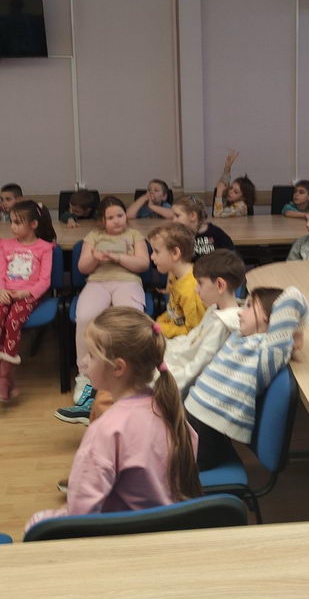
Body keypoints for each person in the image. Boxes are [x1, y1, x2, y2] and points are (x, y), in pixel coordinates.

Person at [25, 307, 201, 532]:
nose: (85, 362)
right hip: (167, 531)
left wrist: (40, 522)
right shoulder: (171, 411)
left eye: (91, 355)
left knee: (36, 524)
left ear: (118, 367)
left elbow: (79, 517)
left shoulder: (106, 430)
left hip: (124, 537)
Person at [59, 248, 247, 437]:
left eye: (200, 284)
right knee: (129, 353)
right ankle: (96, 403)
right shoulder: (215, 310)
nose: (196, 289)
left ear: (220, 285)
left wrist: (164, 378)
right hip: (174, 363)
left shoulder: (225, 323)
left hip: (178, 378)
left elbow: (197, 367)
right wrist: (161, 345)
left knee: (123, 375)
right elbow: (190, 342)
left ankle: (98, 409)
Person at [184, 284, 309, 469]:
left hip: (206, 431)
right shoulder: (241, 336)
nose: (241, 312)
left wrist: (297, 331)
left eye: (249, 306)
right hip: (193, 413)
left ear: (269, 317)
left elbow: (294, 296)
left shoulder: (269, 351)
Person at [63, 196, 149, 418]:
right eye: (110, 218)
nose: (117, 220)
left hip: (128, 282)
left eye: (120, 215)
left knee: (129, 320)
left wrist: (118, 257)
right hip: (97, 283)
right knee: (86, 317)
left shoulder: (135, 235)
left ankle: (130, 372)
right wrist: (95, 258)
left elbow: (143, 264)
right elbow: (83, 267)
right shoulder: (94, 236)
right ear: (102, 220)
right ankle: (85, 376)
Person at [0, 200, 55, 401]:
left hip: (29, 295)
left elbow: (45, 280)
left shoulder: (45, 248)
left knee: (13, 320)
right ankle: (6, 376)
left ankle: (5, 375)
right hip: (6, 293)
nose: (12, 227)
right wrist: (1, 290)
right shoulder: (5, 245)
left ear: (33, 224)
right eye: (11, 222)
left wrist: (28, 293)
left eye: (17, 222)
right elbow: (1, 272)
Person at [149, 222, 205, 338]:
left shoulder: (191, 289)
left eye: (156, 251)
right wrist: (159, 322)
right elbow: (174, 312)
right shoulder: (175, 276)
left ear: (175, 253)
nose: (152, 256)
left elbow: (194, 331)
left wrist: (161, 328)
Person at [213, 150, 255, 218]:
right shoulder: (232, 201)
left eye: (236, 192)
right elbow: (224, 184)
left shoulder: (241, 206)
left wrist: (219, 193)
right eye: (231, 188)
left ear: (243, 197)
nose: (230, 191)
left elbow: (217, 215)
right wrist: (227, 168)